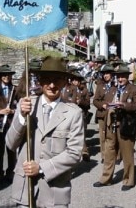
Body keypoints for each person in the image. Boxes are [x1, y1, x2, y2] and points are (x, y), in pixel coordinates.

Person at [6, 56, 84, 208]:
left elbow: (74, 153)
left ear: (64, 82)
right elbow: (10, 144)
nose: (52, 85)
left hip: (54, 192)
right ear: (40, 81)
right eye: (47, 79)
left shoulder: (73, 113)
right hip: (25, 189)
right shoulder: (26, 105)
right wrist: (21, 117)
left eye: (57, 80)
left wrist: (41, 167)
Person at [93, 64, 136, 191]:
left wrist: (125, 105)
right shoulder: (113, 89)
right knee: (109, 153)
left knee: (127, 154)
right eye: (118, 76)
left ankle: (128, 180)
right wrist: (106, 105)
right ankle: (106, 179)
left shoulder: (134, 89)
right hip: (112, 125)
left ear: (127, 76)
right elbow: (101, 101)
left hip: (126, 125)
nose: (120, 79)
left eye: (123, 76)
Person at [93, 64, 116, 163]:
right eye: (104, 73)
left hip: (112, 114)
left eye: (108, 73)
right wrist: (102, 105)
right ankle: (103, 155)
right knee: (102, 136)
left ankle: (113, 155)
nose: (105, 75)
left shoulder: (115, 86)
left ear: (111, 74)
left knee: (112, 135)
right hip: (102, 114)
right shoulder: (100, 86)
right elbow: (95, 101)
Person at [71, 71, 91, 162]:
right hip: (71, 114)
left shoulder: (84, 90)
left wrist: (81, 102)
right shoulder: (68, 90)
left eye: (77, 80)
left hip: (82, 113)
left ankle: (84, 151)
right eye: (73, 80)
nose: (75, 82)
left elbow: (88, 104)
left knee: (82, 132)